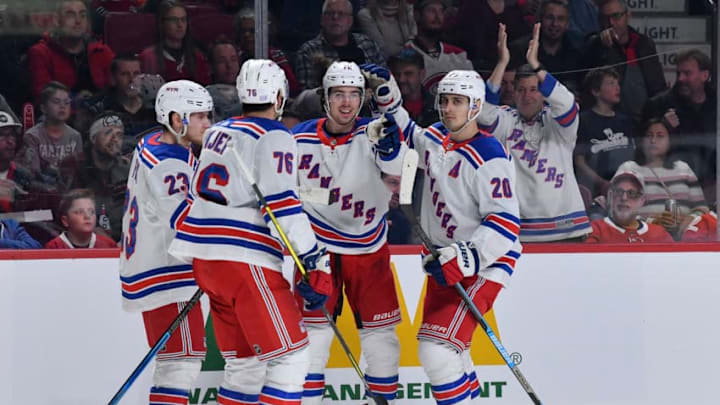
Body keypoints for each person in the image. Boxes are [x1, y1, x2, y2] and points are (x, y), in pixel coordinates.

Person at [168, 60, 329, 404]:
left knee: (245, 366)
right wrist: (315, 260)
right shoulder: (275, 135)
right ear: (279, 96)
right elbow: (282, 205)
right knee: (291, 358)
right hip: (245, 259)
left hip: (206, 260)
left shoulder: (216, 132)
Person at [362, 63, 522, 403]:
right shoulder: (436, 137)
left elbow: (506, 222)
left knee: (436, 351)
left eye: (457, 101)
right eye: (445, 100)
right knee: (451, 352)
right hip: (443, 260)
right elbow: (407, 136)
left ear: (475, 106)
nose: (448, 108)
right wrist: (387, 95)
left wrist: (466, 257)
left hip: (485, 262)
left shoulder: (491, 155)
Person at [291, 61, 407, 404]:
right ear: (324, 97)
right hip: (316, 253)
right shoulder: (298, 138)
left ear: (364, 97)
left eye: (354, 94)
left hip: (368, 250)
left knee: (382, 341)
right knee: (312, 339)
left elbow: (400, 174)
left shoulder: (375, 132)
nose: (346, 103)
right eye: (338, 94)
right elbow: (281, 191)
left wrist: (392, 151)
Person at [118, 79, 213, 404]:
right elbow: (186, 223)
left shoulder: (153, 146)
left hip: (155, 270)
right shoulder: (168, 163)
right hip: (168, 275)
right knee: (180, 366)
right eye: (199, 116)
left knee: (175, 365)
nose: (207, 124)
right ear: (176, 120)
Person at [478, 23, 590, 242]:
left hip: (568, 228)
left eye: (533, 89)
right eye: (521, 90)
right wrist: (502, 63)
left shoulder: (558, 122)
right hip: (524, 234)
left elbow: (566, 103)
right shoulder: (507, 120)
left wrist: (536, 65)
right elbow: (483, 113)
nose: (527, 96)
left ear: (543, 94)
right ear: (514, 93)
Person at [615, 119, 708, 238]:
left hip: (685, 238)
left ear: (670, 141)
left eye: (660, 136)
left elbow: (702, 208)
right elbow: (617, 211)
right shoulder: (629, 168)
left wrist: (690, 220)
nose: (653, 140)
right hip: (643, 239)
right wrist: (651, 222)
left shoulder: (683, 168)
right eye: (649, 136)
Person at [642, 49, 716, 199]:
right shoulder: (658, 105)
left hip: (714, 185)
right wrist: (663, 127)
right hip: (671, 187)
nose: (681, 78)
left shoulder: (717, 103)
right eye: (678, 74)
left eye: (687, 73)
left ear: (705, 75)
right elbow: (643, 149)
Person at [580, 0, 666, 124]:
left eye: (616, 16)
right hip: (610, 122)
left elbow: (657, 85)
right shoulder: (594, 45)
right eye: (605, 18)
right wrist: (602, 48)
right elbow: (589, 85)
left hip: (645, 121)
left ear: (628, 16)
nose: (611, 23)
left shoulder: (644, 44)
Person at [27, 0, 114, 101]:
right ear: (56, 20)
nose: (78, 21)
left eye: (82, 15)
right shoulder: (40, 53)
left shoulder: (102, 51)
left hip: (103, 115)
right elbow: (44, 99)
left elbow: (116, 92)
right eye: (70, 15)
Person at [295, 0, 386, 90]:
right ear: (322, 20)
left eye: (341, 13)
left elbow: (386, 80)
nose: (335, 17)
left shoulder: (367, 43)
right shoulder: (309, 51)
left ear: (350, 21)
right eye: (330, 13)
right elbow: (308, 94)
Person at [574, 67, 634, 198]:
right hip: (595, 192)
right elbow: (579, 161)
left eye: (617, 83)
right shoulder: (583, 120)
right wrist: (601, 183)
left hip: (626, 190)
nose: (617, 88)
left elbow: (633, 157)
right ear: (596, 91)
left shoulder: (625, 120)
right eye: (611, 83)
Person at [18, 82, 84, 197]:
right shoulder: (32, 136)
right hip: (42, 194)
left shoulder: (75, 136)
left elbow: (79, 174)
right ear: (43, 108)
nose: (62, 106)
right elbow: (32, 177)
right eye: (56, 102)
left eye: (67, 102)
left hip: (70, 195)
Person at [84, 55, 158, 151]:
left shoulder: (155, 106)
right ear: (113, 79)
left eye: (136, 74)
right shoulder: (100, 108)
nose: (132, 80)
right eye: (125, 74)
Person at [75, 113, 129, 242]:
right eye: (108, 133)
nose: (115, 139)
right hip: (87, 240)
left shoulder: (127, 169)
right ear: (93, 138)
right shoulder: (74, 166)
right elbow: (68, 210)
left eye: (119, 135)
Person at [509, 0, 581, 93]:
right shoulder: (519, 49)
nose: (554, 24)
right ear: (540, 19)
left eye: (561, 19)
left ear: (567, 23)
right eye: (549, 17)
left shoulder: (577, 51)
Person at [404, 0, 473, 96]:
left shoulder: (458, 55)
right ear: (417, 15)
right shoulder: (405, 55)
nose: (438, 16)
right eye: (431, 11)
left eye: (441, 11)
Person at [585, 170, 673, 243]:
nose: (624, 198)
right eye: (618, 192)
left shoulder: (659, 233)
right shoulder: (596, 230)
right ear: (611, 197)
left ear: (642, 200)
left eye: (632, 193)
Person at [138, 0, 211, 85]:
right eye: (174, 20)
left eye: (183, 20)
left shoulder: (197, 56)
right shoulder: (148, 57)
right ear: (162, 23)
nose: (180, 25)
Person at [233, 8, 301, 97]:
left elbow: (292, 87)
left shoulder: (275, 56)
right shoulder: (236, 56)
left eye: (252, 31)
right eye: (243, 31)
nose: (246, 35)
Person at [44, 188, 117, 248]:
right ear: (65, 221)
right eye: (79, 212)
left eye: (91, 212)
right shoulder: (54, 247)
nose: (87, 216)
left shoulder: (109, 245)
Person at [388, 48, 438, 128]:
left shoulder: (438, 108)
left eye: (408, 74)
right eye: (396, 74)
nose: (401, 79)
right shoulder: (386, 108)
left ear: (422, 74)